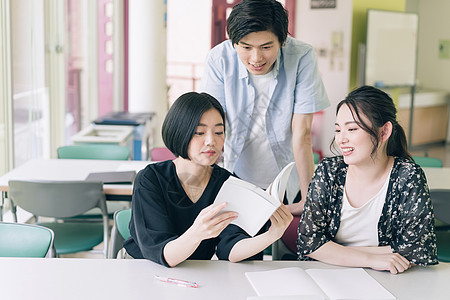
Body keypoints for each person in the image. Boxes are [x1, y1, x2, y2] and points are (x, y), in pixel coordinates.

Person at [123, 92, 293, 267]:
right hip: (144, 270)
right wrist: (197, 233)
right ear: (179, 131)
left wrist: (272, 235)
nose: (211, 141)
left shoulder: (228, 183)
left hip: (194, 275)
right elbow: (164, 254)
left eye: (219, 132)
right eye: (199, 132)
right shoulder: (151, 179)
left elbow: (231, 249)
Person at [200, 0, 330, 215]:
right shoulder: (219, 59)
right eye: (246, 47)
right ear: (233, 42)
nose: (256, 58)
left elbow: (303, 132)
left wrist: (308, 199)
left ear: (283, 41)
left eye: (267, 47)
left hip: (288, 176)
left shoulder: (302, 56)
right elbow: (212, 125)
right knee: (245, 245)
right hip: (236, 173)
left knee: (288, 241)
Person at [297, 85, 438, 274]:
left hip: (388, 280)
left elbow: (417, 249)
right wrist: (372, 258)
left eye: (352, 129)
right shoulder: (328, 171)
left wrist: (332, 250)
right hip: (327, 275)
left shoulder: (408, 176)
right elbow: (308, 243)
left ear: (384, 132)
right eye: (338, 130)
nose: (341, 140)